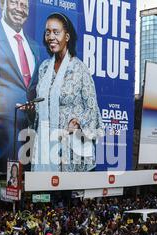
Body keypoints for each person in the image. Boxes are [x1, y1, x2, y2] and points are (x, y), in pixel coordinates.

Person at [31, 12, 104, 172]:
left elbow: (92, 108)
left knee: (68, 193)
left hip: (70, 145)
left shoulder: (79, 69)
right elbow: (42, 103)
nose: (51, 37)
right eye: (48, 32)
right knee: (43, 191)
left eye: (56, 32)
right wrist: (31, 109)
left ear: (67, 36)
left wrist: (78, 122)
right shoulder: (44, 68)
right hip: (45, 143)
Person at [0, 0, 40, 173]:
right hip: (3, 138)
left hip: (28, 138)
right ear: (2, 5)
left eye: (24, 5)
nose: (20, 9)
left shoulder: (34, 46)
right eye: (14, 3)